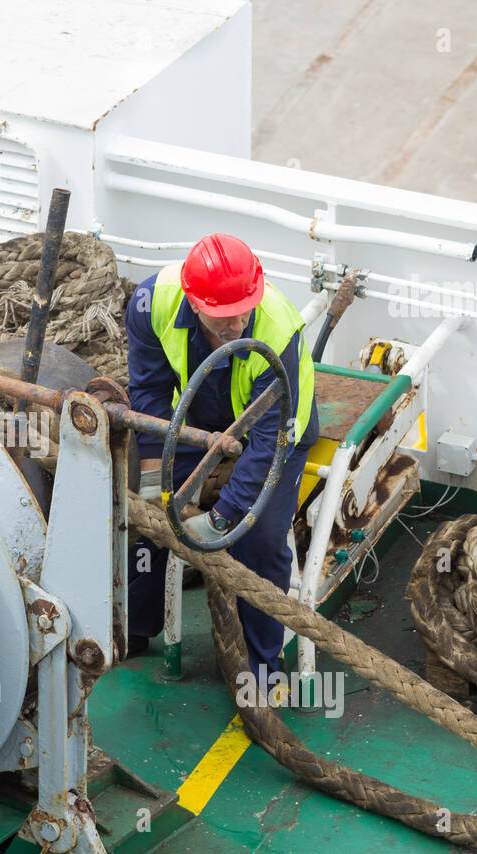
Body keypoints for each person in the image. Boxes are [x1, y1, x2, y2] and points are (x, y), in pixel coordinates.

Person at [125, 234, 318, 694]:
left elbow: (270, 440)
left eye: (244, 308)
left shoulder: (277, 329)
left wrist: (221, 518)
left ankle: (259, 666)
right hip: (194, 425)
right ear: (193, 303)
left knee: (261, 538)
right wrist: (157, 476)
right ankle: (133, 629)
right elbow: (148, 395)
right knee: (147, 518)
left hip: (274, 434)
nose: (236, 322)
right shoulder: (150, 304)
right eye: (222, 315)